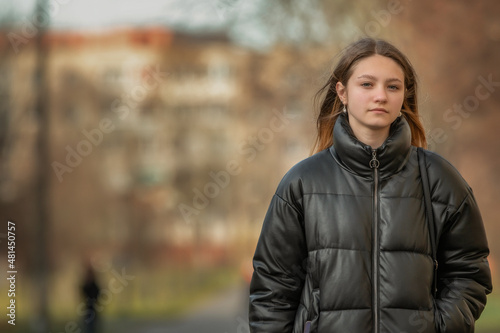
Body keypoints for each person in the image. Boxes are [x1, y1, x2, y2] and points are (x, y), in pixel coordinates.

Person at [248, 38, 492, 333]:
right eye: (367, 84)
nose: (381, 96)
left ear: (404, 95)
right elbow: (272, 288)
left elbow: (469, 272)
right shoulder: (302, 183)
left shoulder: (439, 179)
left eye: (393, 86)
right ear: (342, 92)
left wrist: (439, 327)